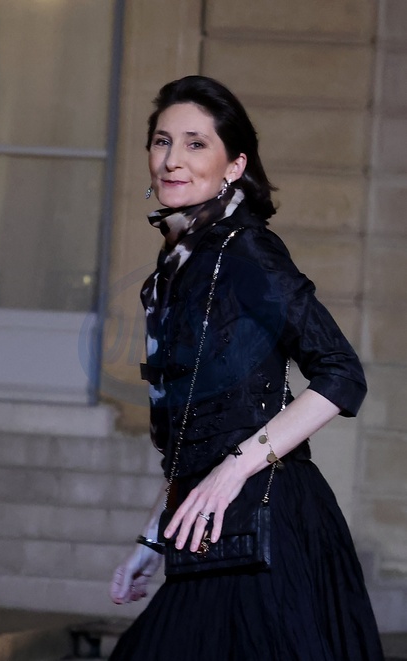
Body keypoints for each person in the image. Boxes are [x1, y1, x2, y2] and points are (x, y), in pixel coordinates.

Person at [109, 75, 384, 660]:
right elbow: (195, 430)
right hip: (215, 524)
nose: (173, 160)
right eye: (162, 141)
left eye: (196, 143)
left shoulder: (245, 249)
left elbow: (341, 373)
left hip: (267, 523)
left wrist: (231, 471)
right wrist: (152, 539)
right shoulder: (177, 267)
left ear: (234, 166)